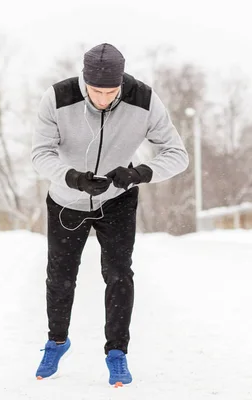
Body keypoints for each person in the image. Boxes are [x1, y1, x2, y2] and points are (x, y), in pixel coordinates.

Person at [30, 43, 189, 386]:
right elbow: (40, 153)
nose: (103, 99)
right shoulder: (57, 98)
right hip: (66, 200)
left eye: (111, 92)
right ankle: (57, 341)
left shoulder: (144, 100)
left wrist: (138, 174)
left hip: (117, 200)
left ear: (121, 83)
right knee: (60, 276)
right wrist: (72, 177)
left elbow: (177, 155)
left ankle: (117, 352)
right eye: (96, 91)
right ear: (84, 80)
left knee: (119, 275)